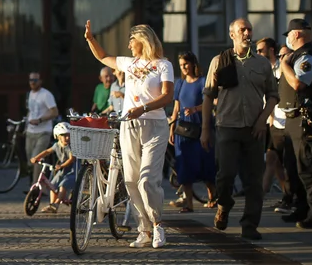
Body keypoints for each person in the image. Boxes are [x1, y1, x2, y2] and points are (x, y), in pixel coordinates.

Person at [84, 22, 174, 249]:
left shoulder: (163, 65)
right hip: (129, 125)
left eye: (131, 40)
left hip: (154, 125)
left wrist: (143, 109)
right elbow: (103, 57)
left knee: (147, 180)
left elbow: (167, 97)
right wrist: (90, 39)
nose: (128, 44)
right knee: (131, 179)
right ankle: (143, 229)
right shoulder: (129, 63)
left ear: (142, 40)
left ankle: (158, 225)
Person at [201, 18, 278, 241]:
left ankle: (250, 224)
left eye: (249, 29)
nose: (247, 33)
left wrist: (263, 120)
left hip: (254, 130)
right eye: (242, 30)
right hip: (227, 127)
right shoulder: (220, 61)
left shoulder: (262, 64)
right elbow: (208, 96)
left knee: (254, 180)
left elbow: (273, 96)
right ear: (232, 34)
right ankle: (224, 205)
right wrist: (205, 129)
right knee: (225, 176)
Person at [277, 19, 312, 229]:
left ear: (296, 34)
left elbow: (298, 83)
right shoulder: (295, 56)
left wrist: (283, 64)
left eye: (288, 34)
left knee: (309, 167)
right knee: (293, 167)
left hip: (306, 120)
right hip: (292, 120)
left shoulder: (309, 58)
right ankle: (301, 209)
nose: (287, 39)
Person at [168, 52, 215, 212]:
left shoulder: (202, 82)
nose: (184, 68)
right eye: (181, 65)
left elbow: (212, 102)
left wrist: (195, 109)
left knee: (205, 164)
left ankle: (212, 197)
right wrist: (172, 129)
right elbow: (176, 108)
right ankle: (189, 203)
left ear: (193, 64)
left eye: (186, 64)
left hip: (201, 128)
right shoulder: (180, 83)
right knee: (184, 167)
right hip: (183, 130)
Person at [256, 40, 295, 215]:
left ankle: (263, 197)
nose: (257, 52)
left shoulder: (282, 67)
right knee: (274, 161)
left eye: (260, 49)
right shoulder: (264, 70)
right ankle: (287, 196)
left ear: (271, 50)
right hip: (273, 122)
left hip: (286, 122)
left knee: (282, 162)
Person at [29, 122, 75, 213]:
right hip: (62, 170)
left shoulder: (70, 147)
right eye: (64, 135)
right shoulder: (56, 145)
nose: (67, 138)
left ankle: (56, 204)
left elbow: (71, 159)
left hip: (73, 170)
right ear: (57, 136)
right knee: (52, 185)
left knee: (63, 185)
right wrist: (36, 158)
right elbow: (47, 151)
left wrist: (61, 165)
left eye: (69, 135)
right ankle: (52, 204)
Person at [24, 72, 58, 184]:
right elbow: (30, 111)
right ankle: (41, 183)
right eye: (30, 80)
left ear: (40, 81)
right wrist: (26, 125)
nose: (32, 82)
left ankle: (35, 187)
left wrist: (40, 120)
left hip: (43, 132)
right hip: (30, 132)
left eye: (35, 80)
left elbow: (54, 112)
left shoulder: (46, 95)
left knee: (36, 159)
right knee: (30, 161)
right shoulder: (30, 94)